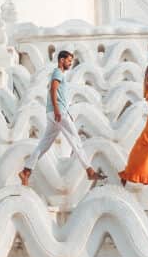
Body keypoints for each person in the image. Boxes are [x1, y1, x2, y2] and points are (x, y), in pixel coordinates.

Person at [19, 50, 103, 186]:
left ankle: (26, 171)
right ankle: (89, 171)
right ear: (62, 60)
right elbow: (52, 89)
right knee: (75, 139)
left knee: (44, 145)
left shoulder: (60, 74)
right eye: (69, 60)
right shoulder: (58, 72)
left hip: (53, 112)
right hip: (58, 112)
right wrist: (58, 110)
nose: (71, 63)